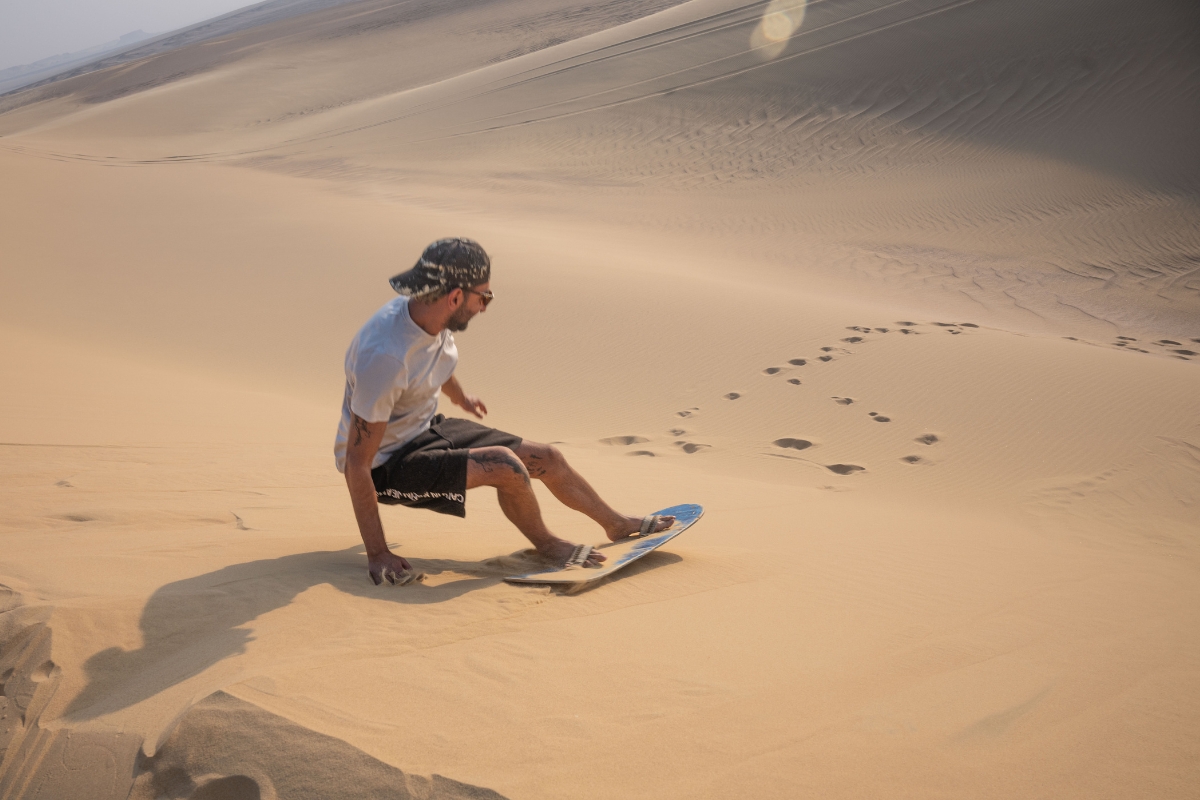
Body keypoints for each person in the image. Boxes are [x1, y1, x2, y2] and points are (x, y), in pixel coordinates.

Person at [335, 238, 674, 586]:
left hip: (423, 429)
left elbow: (430, 361)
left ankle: (616, 524)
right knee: (505, 465)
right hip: (385, 466)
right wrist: (377, 553)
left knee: (547, 457)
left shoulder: (429, 315)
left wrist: (460, 397)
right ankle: (548, 545)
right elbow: (356, 463)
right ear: (454, 297)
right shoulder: (385, 357)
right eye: (484, 297)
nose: (485, 306)